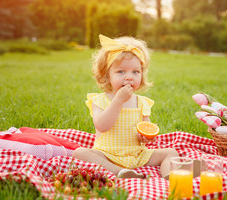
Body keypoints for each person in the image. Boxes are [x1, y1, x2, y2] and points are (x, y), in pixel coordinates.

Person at [73, 34, 179, 179]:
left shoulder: (142, 102)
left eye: (135, 72)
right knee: (80, 153)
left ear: (142, 74)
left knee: (171, 152)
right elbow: (102, 126)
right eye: (121, 71)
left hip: (137, 154)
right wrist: (118, 101)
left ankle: (169, 176)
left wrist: (146, 138)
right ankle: (119, 172)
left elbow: (145, 130)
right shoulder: (100, 100)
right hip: (107, 155)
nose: (129, 77)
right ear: (106, 75)